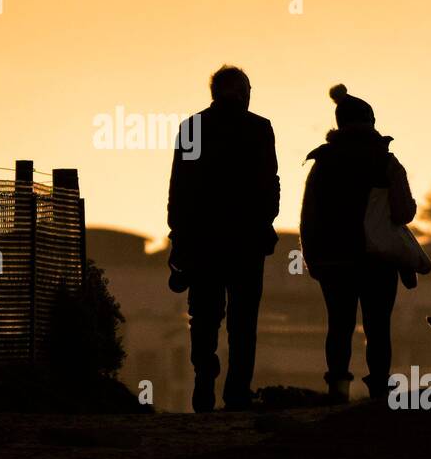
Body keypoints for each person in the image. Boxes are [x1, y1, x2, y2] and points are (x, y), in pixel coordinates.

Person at [167, 65, 280, 412]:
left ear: (215, 92)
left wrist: (178, 237)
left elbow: (179, 188)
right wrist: (266, 221)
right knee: (243, 321)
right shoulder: (260, 129)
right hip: (246, 242)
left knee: (203, 316)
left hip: (203, 242)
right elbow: (270, 183)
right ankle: (237, 393)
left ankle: (204, 376)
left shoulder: (192, 128)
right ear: (244, 92)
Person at [300, 83, 416, 402]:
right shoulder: (387, 163)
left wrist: (313, 259)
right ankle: (379, 389)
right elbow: (404, 212)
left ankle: (338, 388)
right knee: (378, 328)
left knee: (339, 326)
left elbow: (309, 217)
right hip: (378, 259)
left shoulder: (323, 164)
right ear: (372, 122)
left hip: (334, 262)